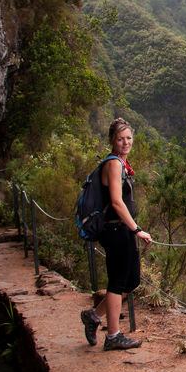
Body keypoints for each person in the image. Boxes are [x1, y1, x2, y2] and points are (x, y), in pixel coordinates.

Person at [80, 117, 153, 350]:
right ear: (112, 140)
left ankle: (93, 315)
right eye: (120, 139)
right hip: (114, 229)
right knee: (118, 280)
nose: (125, 142)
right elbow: (116, 201)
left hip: (122, 230)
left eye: (129, 138)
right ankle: (113, 336)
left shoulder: (122, 164)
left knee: (131, 281)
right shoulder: (113, 164)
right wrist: (137, 230)